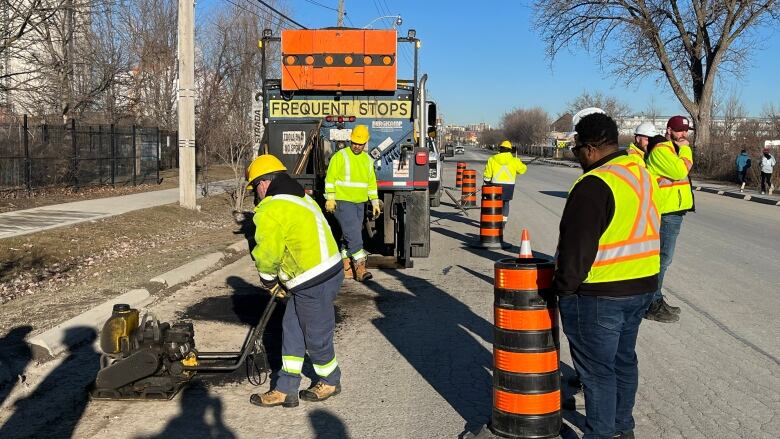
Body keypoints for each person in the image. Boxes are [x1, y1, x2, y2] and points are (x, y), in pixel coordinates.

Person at [554, 111, 660, 439]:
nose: (577, 158)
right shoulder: (640, 173)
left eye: (575, 151)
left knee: (598, 374)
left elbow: (577, 251)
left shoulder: (594, 184)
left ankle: (600, 434)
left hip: (601, 294)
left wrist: (562, 289)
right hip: (641, 287)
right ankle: (621, 428)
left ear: (589, 149)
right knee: (623, 362)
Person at [245, 154, 344, 408]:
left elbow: (267, 252)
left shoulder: (271, 209)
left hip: (313, 278)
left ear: (264, 182)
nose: (256, 193)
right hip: (323, 272)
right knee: (292, 328)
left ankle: (330, 380)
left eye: (255, 187)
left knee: (315, 333)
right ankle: (286, 388)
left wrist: (268, 281)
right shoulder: (300, 196)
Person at [643, 116, 696, 323]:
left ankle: (656, 298)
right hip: (666, 212)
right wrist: (685, 149)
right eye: (679, 131)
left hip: (674, 211)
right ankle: (651, 304)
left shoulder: (671, 150)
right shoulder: (662, 150)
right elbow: (680, 170)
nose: (684, 135)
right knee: (662, 260)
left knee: (663, 259)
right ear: (669, 130)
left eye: (685, 131)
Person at [324, 124, 380, 282]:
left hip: (359, 203)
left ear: (365, 143)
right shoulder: (340, 156)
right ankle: (360, 266)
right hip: (343, 201)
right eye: (354, 142)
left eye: (360, 143)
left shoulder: (367, 160)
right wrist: (330, 198)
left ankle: (346, 267)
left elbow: (371, 183)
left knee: (350, 233)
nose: (357, 146)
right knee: (354, 235)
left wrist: (374, 202)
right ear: (350, 140)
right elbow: (330, 179)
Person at [482, 140, 527, 222]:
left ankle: (494, 221)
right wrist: (523, 165)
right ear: (510, 150)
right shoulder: (515, 160)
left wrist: (487, 181)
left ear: (500, 149)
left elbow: (487, 174)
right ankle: (503, 221)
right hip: (509, 186)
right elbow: (522, 170)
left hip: (495, 185)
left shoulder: (492, 159)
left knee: (495, 203)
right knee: (506, 203)